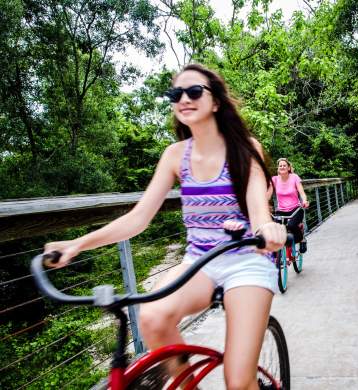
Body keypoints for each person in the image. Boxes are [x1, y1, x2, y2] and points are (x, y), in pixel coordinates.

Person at [43, 63, 287, 390]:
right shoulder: (174, 156)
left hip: (246, 260)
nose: (183, 98)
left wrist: (268, 229)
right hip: (199, 262)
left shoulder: (246, 148)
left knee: (239, 380)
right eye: (176, 94)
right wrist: (77, 244)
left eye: (194, 91)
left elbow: (258, 210)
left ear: (215, 102)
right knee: (151, 317)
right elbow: (138, 218)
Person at [267, 158, 309, 253]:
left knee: (291, 225)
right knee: (274, 228)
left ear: (289, 168)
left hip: (295, 209)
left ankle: (302, 239)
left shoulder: (294, 177)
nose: (282, 167)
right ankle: (278, 257)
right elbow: (268, 194)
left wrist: (305, 200)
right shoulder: (274, 180)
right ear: (278, 168)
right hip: (281, 210)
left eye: (284, 165)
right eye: (280, 165)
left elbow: (301, 192)